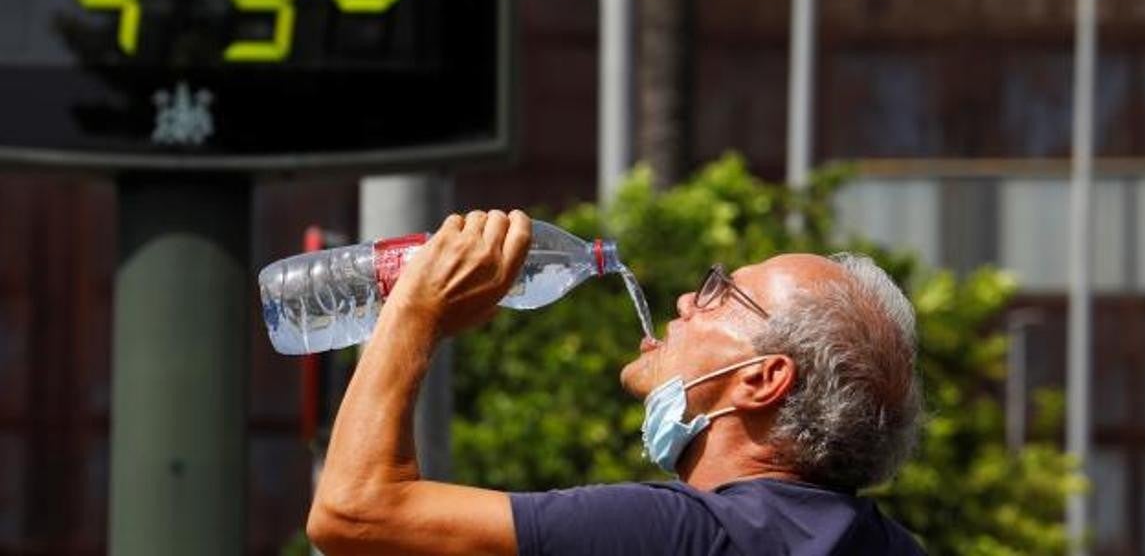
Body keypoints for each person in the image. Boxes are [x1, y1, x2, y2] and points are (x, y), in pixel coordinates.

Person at [307, 209, 926, 555]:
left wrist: (415, 315)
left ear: (763, 380)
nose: (686, 299)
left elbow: (354, 513)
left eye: (721, 293)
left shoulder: (679, 535)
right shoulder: (887, 548)